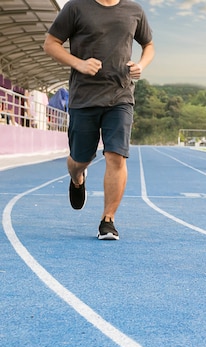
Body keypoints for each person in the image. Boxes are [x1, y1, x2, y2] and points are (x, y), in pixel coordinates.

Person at [43, 0, 155, 240]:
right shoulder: (75, 7)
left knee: (116, 155)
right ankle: (77, 179)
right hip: (84, 97)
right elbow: (50, 44)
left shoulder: (134, 10)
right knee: (79, 160)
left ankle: (108, 220)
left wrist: (141, 65)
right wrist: (79, 63)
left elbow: (149, 45)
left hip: (121, 96)